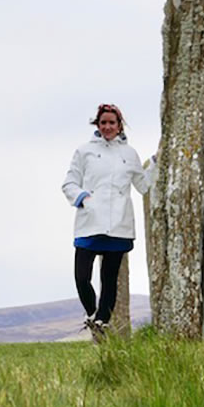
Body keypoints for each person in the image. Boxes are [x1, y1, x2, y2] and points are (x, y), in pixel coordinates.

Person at [61, 103, 153, 341]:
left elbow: (143, 186)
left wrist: (156, 162)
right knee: (82, 277)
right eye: (103, 123)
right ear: (97, 125)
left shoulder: (129, 154)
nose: (108, 127)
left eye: (112, 123)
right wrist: (83, 198)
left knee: (109, 280)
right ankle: (93, 314)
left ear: (119, 125)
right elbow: (69, 183)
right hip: (90, 221)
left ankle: (102, 322)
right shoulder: (84, 151)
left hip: (119, 224)